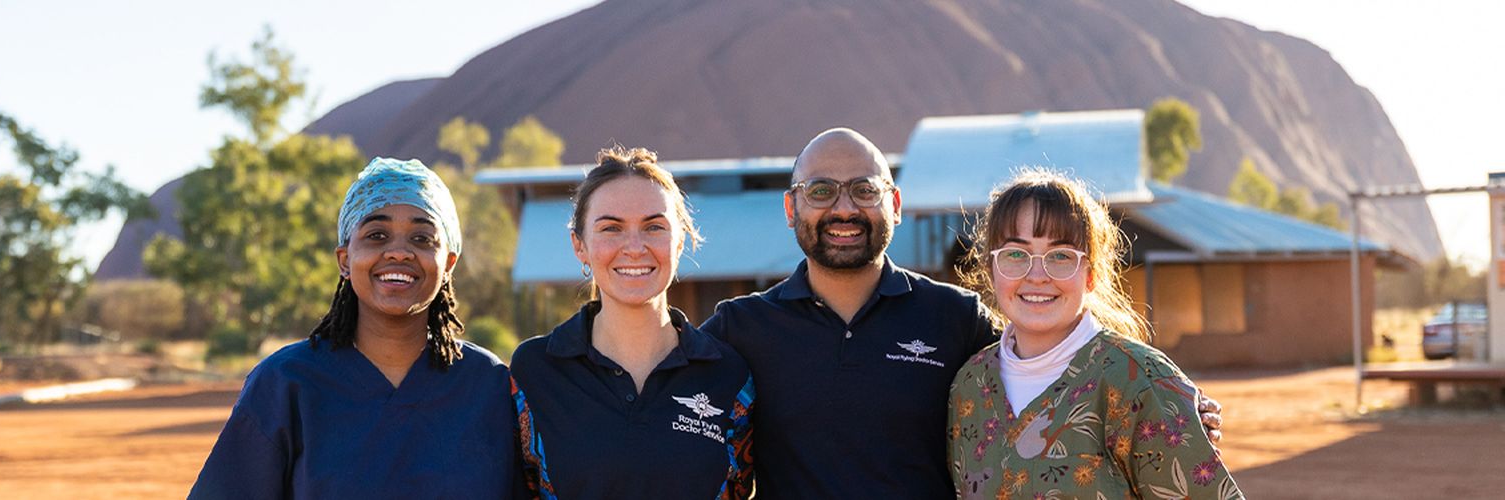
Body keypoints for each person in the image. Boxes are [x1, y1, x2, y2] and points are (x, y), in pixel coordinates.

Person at [699, 129, 1221, 499]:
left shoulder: (955, 317)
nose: (844, 209)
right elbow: (667, 395)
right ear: (791, 208)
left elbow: (1049, 361)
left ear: (895, 205)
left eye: (864, 190)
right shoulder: (740, 328)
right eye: (820, 191)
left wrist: (1163, 406)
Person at [189, 158, 525, 499]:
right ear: (345, 259)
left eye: (422, 238)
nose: (399, 253)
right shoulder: (285, 383)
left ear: (449, 263)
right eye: (377, 236)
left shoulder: (488, 385)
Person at [947, 169, 1241, 499]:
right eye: (1016, 254)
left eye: (1061, 256)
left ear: (1091, 275)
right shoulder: (968, 388)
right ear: (991, 269)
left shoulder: (1139, 382)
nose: (1037, 275)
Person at [510, 147, 754, 499]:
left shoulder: (729, 374)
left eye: (654, 227)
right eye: (611, 228)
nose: (635, 247)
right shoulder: (534, 370)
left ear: (680, 241)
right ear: (579, 245)